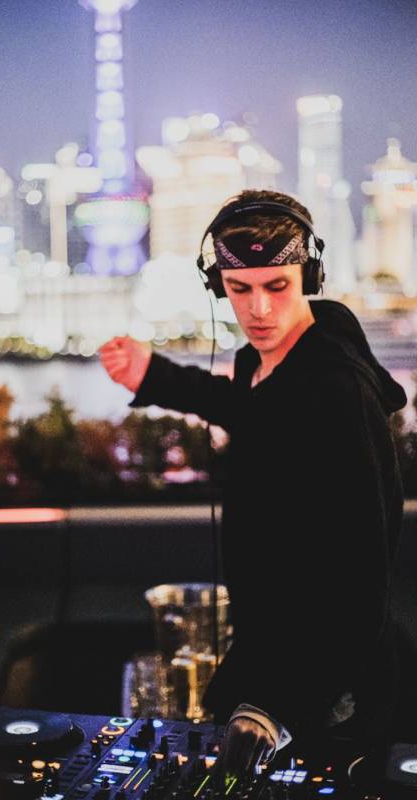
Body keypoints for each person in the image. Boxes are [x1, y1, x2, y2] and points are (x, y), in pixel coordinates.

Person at [99, 189, 407, 787]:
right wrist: (152, 374)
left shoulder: (338, 389)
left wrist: (278, 704)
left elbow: (363, 575)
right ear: (217, 285)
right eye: (239, 289)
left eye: (278, 286)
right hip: (271, 643)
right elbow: (253, 409)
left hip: (331, 687)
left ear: (309, 275)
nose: (259, 309)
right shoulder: (264, 362)